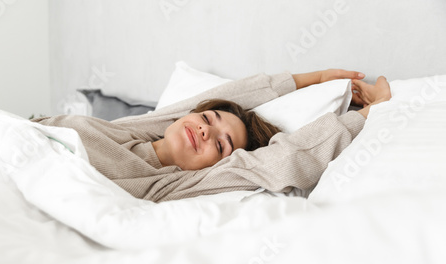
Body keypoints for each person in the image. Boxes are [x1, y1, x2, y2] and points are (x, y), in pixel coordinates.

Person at [31, 69, 391, 202]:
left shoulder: (171, 185)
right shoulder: (139, 128)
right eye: (207, 118)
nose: (204, 130)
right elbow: (230, 96)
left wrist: (370, 113)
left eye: (220, 144)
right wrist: (312, 78)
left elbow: (283, 161)